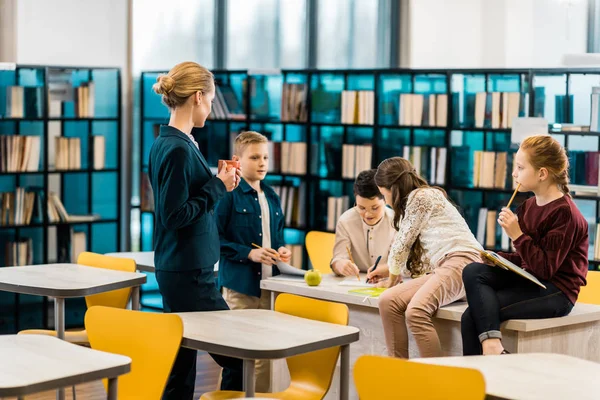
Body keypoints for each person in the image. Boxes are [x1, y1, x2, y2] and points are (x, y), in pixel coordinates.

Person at [148, 61, 243, 399]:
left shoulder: (172, 141)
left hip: (181, 267)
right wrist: (217, 186)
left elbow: (183, 199)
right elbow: (174, 215)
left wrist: (214, 182)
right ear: (199, 97)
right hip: (188, 273)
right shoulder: (176, 148)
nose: (212, 111)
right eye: (212, 100)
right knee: (239, 358)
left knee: (181, 364)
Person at [461, 135, 589, 356]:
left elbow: (545, 269)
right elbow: (526, 260)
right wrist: (496, 258)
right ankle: (493, 351)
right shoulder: (529, 205)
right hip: (532, 279)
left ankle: (491, 353)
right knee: (473, 270)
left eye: (520, 167)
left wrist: (517, 234)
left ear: (542, 173)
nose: (514, 173)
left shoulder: (564, 213)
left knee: (472, 315)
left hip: (556, 291)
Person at [368, 157, 482, 358]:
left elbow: (400, 246)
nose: (386, 201)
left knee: (416, 311)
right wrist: (388, 272)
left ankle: (434, 382)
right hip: (448, 267)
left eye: (384, 195)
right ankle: (398, 372)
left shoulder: (421, 197)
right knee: (388, 301)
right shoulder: (417, 202)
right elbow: (419, 261)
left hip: (463, 262)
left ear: (393, 189)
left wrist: (392, 279)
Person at [216, 130, 291, 392]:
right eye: (255, 157)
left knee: (265, 359)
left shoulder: (272, 196)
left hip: (271, 289)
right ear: (238, 159)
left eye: (266, 158)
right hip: (240, 289)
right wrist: (249, 253)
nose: (262, 163)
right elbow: (213, 239)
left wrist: (281, 250)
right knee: (237, 359)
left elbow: (277, 235)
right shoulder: (227, 195)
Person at [331, 169, 396, 277]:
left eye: (374, 208)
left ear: (385, 200)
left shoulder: (396, 221)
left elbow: (402, 262)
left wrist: (389, 269)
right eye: (361, 208)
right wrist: (340, 265)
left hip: (387, 281)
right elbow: (338, 259)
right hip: (355, 281)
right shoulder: (346, 221)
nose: (367, 214)